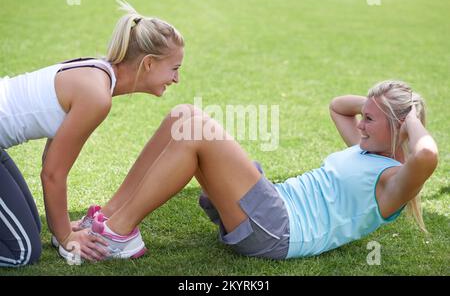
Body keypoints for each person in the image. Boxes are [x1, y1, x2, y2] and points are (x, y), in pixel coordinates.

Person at [84, 80, 438, 261]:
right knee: (183, 115)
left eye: (370, 120)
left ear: (396, 128)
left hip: (279, 231)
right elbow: (338, 108)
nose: (360, 124)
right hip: (271, 208)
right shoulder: (365, 149)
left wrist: (408, 120)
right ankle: (109, 216)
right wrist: (377, 105)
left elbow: (426, 157)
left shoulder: (392, 181)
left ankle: (118, 236)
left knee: (197, 128)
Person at [0, 0, 184, 267]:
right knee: (22, 252)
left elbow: (51, 160)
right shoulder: (96, 96)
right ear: (148, 64)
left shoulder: (97, 73)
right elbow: (53, 173)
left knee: (31, 224)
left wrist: (62, 227)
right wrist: (65, 236)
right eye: (175, 69)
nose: (176, 79)